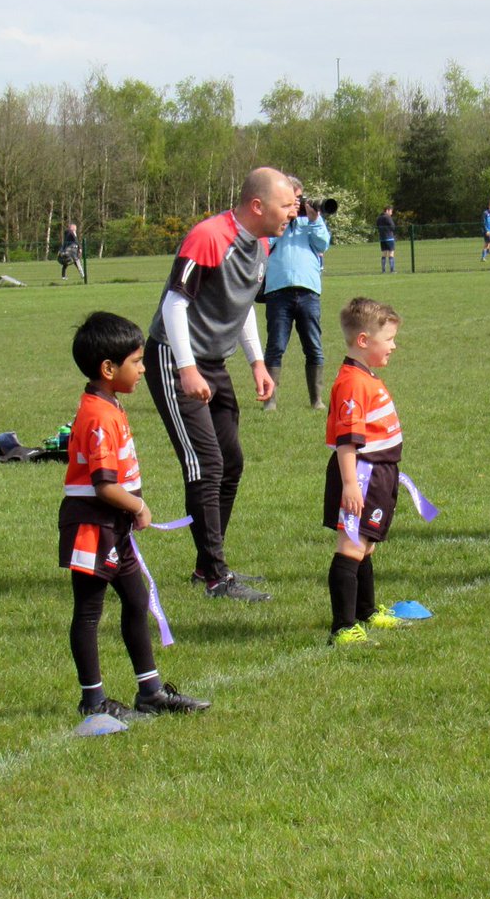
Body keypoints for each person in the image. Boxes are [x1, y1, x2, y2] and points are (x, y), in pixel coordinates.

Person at [145, 166, 296, 602]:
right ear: (257, 205)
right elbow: (175, 304)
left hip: (213, 362)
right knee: (205, 464)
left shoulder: (262, 242)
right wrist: (187, 368)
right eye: (285, 205)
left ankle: (206, 566)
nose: (292, 212)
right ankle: (216, 577)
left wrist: (257, 361)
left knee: (231, 462)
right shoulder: (209, 237)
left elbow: (242, 303)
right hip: (174, 358)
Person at [59, 312, 211, 719]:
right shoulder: (99, 415)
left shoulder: (108, 404)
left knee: (136, 598)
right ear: (109, 369)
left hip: (114, 525)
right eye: (137, 361)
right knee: (89, 611)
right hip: (93, 526)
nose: (144, 368)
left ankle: (151, 692)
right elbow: (104, 485)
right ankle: (93, 701)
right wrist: (138, 506)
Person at [324, 297, 409, 646]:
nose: (393, 345)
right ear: (363, 341)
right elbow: (347, 441)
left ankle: (366, 612)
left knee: (367, 545)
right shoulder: (352, 383)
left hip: (380, 473)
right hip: (362, 474)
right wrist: (350, 485)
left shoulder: (366, 376)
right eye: (387, 339)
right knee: (351, 545)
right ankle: (343, 628)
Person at [262, 176, 332, 411]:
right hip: (278, 292)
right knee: (275, 346)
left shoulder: (311, 221)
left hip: (308, 292)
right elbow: (264, 245)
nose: (297, 204)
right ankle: (270, 401)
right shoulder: (272, 221)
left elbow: (323, 244)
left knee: (313, 346)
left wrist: (314, 220)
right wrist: (281, 218)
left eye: (299, 199)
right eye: (291, 200)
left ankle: (317, 400)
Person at [376, 205, 397, 273]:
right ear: (387, 210)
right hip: (389, 238)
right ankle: (392, 270)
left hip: (382, 238)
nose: (391, 213)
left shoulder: (379, 218)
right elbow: (393, 226)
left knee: (384, 254)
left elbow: (377, 226)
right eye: (391, 211)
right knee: (391, 253)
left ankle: (383, 270)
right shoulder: (388, 217)